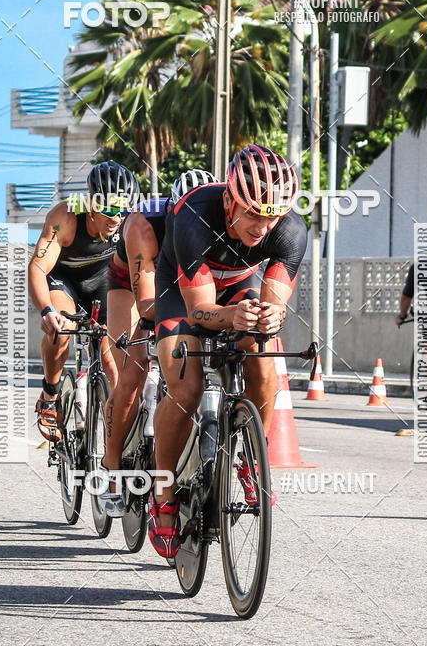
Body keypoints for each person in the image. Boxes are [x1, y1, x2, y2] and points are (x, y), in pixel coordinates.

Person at [149, 144, 308, 559]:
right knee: (185, 389)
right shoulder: (194, 214)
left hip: (240, 284)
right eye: (252, 213)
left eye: (272, 216)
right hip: (181, 292)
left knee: (264, 358)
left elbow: (274, 303)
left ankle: (250, 458)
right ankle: (162, 492)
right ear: (228, 201)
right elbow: (200, 311)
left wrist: (270, 317)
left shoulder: (291, 231)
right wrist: (230, 316)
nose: (263, 226)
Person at [101, 169, 218, 510]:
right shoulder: (144, 223)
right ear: (172, 210)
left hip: (182, 284)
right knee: (132, 373)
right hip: (132, 285)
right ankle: (111, 467)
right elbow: (148, 305)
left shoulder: (217, 223)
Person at [28, 160, 138, 441]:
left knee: (115, 359)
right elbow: (38, 267)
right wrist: (46, 310)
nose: (116, 218)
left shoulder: (131, 222)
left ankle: (121, 440)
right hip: (64, 282)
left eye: (123, 209)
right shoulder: (65, 217)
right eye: (109, 209)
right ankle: (50, 396)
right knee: (62, 330)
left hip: (103, 281)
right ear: (91, 203)